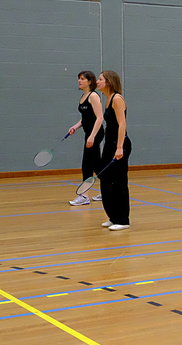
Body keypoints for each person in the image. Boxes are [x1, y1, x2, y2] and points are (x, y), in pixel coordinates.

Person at [96, 71, 132, 231]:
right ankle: (113, 216)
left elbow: (122, 124)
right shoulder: (107, 99)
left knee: (119, 182)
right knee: (105, 178)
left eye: (100, 79)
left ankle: (123, 220)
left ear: (109, 82)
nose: (97, 82)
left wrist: (119, 147)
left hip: (120, 144)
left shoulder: (117, 99)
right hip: (109, 144)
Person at [68, 71, 104, 206]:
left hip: (95, 134)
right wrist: (75, 127)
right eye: (78, 78)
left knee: (87, 165)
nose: (79, 81)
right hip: (89, 134)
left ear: (90, 81)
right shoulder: (83, 96)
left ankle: (84, 196)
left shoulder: (93, 96)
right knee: (97, 165)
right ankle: (108, 190)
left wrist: (92, 136)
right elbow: (86, 118)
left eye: (82, 79)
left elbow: (100, 118)